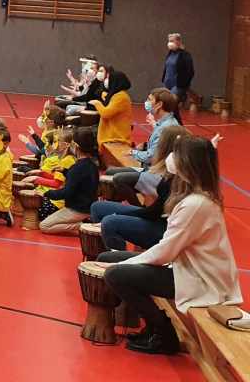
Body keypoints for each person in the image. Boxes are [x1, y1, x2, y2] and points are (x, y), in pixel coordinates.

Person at [101, 135, 241, 355]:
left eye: (176, 154)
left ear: (188, 162)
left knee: (116, 274)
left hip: (200, 279)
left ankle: (163, 333)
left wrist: (129, 263)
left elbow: (165, 252)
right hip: (185, 268)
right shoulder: (192, 194)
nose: (171, 158)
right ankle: (150, 325)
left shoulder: (196, 203)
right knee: (107, 259)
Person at [91, 125, 185, 251]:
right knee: (97, 207)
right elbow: (154, 211)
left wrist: (120, 214)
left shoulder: (175, 179)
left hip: (164, 229)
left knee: (110, 222)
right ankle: (106, 253)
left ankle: (115, 258)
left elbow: (154, 213)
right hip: (155, 216)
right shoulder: (169, 173)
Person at [107, 88, 178, 198]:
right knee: (110, 172)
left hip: (157, 174)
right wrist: (145, 145)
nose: (147, 102)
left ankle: (139, 207)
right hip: (150, 168)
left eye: (150, 99)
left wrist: (133, 152)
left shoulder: (166, 127)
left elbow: (151, 157)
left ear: (159, 104)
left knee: (119, 179)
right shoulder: (165, 123)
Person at [38, 129, 100, 235]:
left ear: (76, 146)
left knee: (44, 226)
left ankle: (82, 226)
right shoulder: (92, 164)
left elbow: (66, 193)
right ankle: (83, 223)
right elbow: (80, 180)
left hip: (77, 209)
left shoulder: (78, 167)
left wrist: (45, 193)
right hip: (88, 206)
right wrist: (65, 171)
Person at [91, 70, 133, 146]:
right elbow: (109, 98)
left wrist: (97, 103)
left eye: (109, 78)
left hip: (116, 136)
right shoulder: (118, 94)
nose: (107, 81)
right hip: (112, 133)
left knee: (83, 134)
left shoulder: (121, 97)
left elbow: (105, 113)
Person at [161, 33, 194, 113]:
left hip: (178, 86)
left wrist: (185, 85)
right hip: (167, 84)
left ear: (178, 42)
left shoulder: (185, 55)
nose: (170, 43)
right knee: (169, 107)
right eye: (169, 41)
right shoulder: (170, 54)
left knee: (171, 105)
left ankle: (174, 120)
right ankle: (175, 120)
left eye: (172, 41)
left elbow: (190, 71)